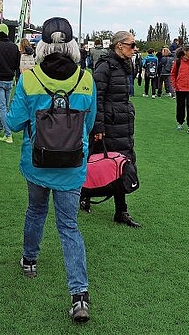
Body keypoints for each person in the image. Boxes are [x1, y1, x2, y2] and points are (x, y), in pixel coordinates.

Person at [7, 17, 95, 324]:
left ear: (42, 45)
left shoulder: (29, 79)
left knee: (35, 211)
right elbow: (89, 123)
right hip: (72, 165)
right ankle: (79, 296)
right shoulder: (86, 79)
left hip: (37, 164)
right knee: (69, 226)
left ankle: (30, 260)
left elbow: (15, 122)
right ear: (72, 45)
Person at [85, 30, 141, 228]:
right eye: (132, 45)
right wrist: (98, 126)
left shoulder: (125, 66)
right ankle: (85, 196)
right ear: (119, 45)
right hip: (109, 125)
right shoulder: (105, 66)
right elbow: (96, 97)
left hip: (123, 123)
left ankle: (121, 211)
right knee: (103, 163)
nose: (135, 49)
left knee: (121, 164)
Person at [0, 23, 20, 144]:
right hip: (9, 81)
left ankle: (8, 134)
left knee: (2, 108)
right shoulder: (14, 47)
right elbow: (17, 65)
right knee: (4, 108)